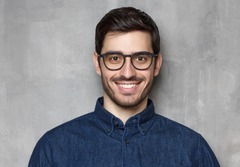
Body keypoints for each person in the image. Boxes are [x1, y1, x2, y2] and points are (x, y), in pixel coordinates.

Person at [28, 7, 220, 167]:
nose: (128, 72)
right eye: (114, 58)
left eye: (141, 58)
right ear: (98, 63)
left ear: (157, 63)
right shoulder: (53, 149)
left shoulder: (193, 151)